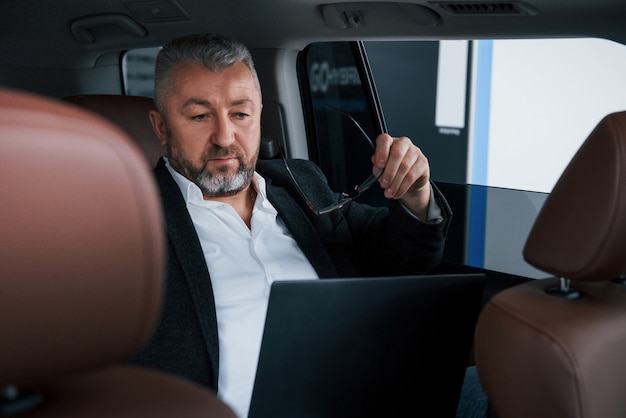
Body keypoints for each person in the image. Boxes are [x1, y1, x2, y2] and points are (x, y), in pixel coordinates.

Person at [130, 33, 485, 417]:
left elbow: (404, 258)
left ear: (260, 114)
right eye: (200, 116)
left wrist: (415, 195)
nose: (224, 137)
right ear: (161, 127)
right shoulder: (128, 223)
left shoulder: (300, 183)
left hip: (370, 397)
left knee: (510, 377)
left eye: (240, 114)